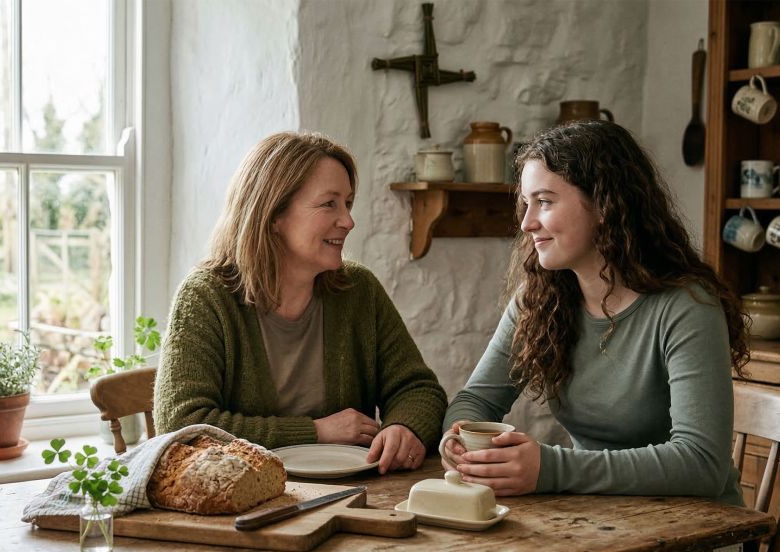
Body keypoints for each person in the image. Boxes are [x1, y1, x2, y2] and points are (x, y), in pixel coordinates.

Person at [443, 120, 748, 506]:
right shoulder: (538, 299)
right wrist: (456, 440)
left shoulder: (687, 307)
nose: (526, 222)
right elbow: (474, 401)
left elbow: (702, 464)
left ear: (604, 205)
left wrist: (551, 469)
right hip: (597, 521)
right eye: (526, 202)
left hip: (702, 538)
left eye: (546, 201)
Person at [155, 131, 447, 473]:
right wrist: (316, 432)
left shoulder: (359, 290)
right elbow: (181, 426)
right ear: (274, 214)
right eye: (329, 204)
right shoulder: (206, 296)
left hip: (353, 495)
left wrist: (405, 426)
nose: (348, 221)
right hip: (242, 506)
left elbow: (418, 389)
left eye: (348, 203)